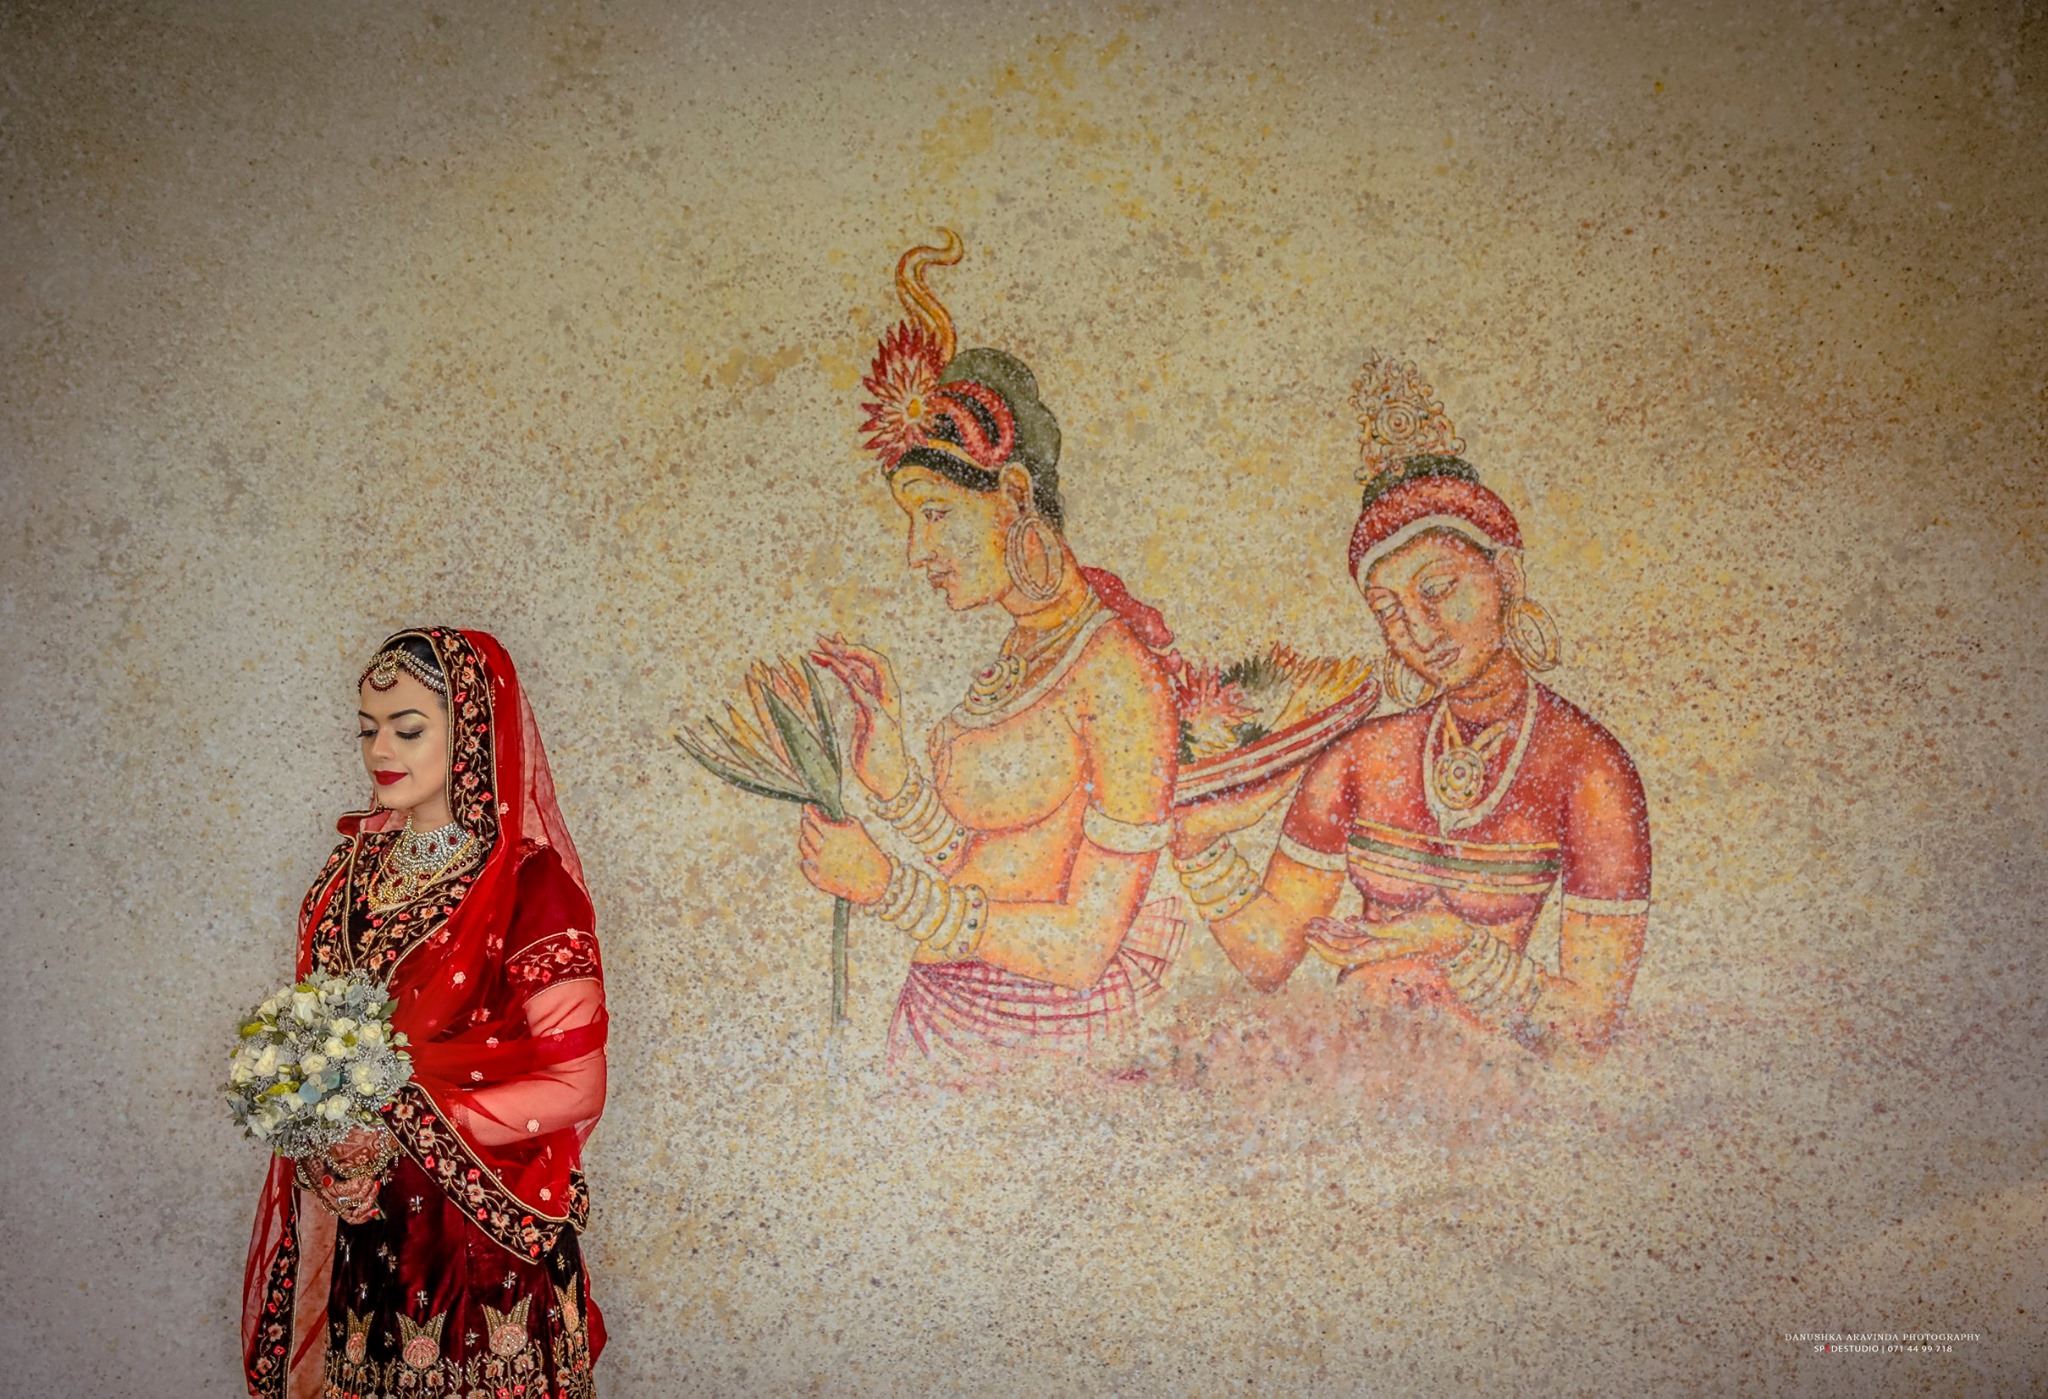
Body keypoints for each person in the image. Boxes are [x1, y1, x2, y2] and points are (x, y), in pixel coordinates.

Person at [1172, 360, 1652, 1055]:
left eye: (1437, 590)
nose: (1420, 632)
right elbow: (1269, 956)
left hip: (1496, 1079)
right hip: (1350, 1061)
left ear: (1506, 576)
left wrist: (1456, 944)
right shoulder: (1360, 757)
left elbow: (1586, 1028)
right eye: (1390, 611)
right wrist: (1197, 844)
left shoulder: (1590, 770)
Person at [795, 233, 1185, 1064]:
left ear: (1012, 494)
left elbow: (1082, 947)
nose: (918, 551)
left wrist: (885, 886)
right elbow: (988, 867)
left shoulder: (1120, 679)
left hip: (1051, 1048)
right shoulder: (1023, 652)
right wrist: (898, 785)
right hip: (943, 1020)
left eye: (935, 514)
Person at [241, 628, 606, 1398]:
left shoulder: (528, 885)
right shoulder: (346, 879)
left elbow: (576, 1086)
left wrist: (401, 1126)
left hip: (483, 1240)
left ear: (471, 734)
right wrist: (326, 1154)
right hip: (372, 1236)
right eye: (367, 729)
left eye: (407, 729)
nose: (380, 750)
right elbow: (318, 1056)